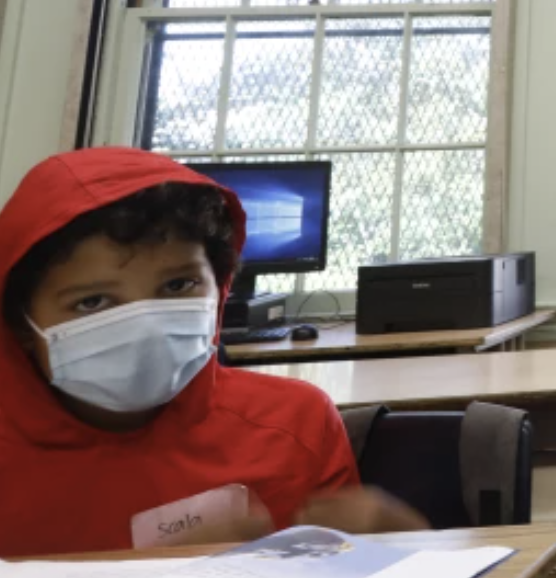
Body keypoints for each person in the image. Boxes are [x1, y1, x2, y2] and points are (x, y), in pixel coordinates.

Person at [0, 147, 426, 557]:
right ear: (20, 324)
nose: (147, 325)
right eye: (93, 302)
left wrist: (402, 554)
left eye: (178, 285)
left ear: (219, 289)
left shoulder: (295, 426)